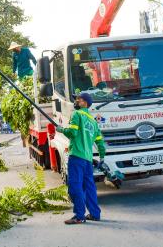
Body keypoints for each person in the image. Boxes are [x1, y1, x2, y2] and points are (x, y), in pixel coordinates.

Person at [56, 92, 106, 225]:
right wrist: (101, 158)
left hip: (77, 156)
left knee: (75, 186)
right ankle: (95, 214)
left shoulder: (77, 115)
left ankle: (79, 216)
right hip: (88, 160)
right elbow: (100, 143)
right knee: (90, 187)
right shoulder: (93, 121)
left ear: (84, 102)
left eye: (78, 99)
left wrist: (61, 130)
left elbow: (72, 132)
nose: (76, 101)